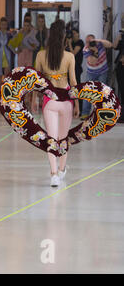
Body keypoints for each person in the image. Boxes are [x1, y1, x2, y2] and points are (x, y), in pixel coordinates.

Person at [31, 20, 80, 188]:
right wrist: (78, 104)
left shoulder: (40, 55)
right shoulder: (69, 57)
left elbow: (36, 82)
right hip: (66, 101)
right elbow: (73, 82)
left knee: (51, 138)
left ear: (50, 35)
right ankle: (61, 169)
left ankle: (53, 175)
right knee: (63, 138)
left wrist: (33, 100)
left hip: (49, 101)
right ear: (64, 36)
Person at [80, 34, 114, 119]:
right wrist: (95, 51)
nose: (89, 43)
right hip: (91, 73)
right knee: (88, 92)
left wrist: (99, 41)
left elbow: (110, 45)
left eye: (91, 41)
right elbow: (92, 62)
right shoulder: (85, 49)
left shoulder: (100, 44)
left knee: (102, 93)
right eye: (87, 42)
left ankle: (101, 113)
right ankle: (85, 113)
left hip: (103, 71)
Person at [65, 28, 85, 112]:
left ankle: (79, 108)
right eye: (71, 34)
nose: (72, 35)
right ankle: (70, 108)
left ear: (77, 34)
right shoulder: (69, 42)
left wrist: (69, 44)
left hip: (76, 68)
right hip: (68, 69)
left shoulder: (79, 42)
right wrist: (66, 43)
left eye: (73, 33)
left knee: (76, 88)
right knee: (68, 88)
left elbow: (73, 54)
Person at [114, 30, 124, 123]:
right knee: (121, 90)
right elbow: (115, 46)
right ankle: (122, 115)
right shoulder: (122, 37)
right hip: (120, 66)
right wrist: (119, 35)